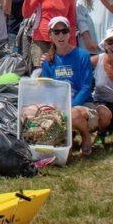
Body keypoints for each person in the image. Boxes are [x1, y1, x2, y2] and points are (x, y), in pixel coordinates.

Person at [40, 16, 95, 156]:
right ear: (50, 35)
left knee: (73, 114)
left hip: (82, 104)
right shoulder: (47, 61)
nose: (61, 35)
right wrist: (55, 108)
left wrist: (68, 107)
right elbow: (48, 89)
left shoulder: (82, 55)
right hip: (58, 106)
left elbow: (86, 87)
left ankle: (86, 136)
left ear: (70, 33)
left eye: (64, 31)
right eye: (56, 32)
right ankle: (64, 139)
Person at [23, 0, 78, 72]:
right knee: (40, 73)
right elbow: (26, 14)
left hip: (61, 41)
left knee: (58, 74)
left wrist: (72, 47)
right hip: (41, 39)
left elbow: (72, 23)